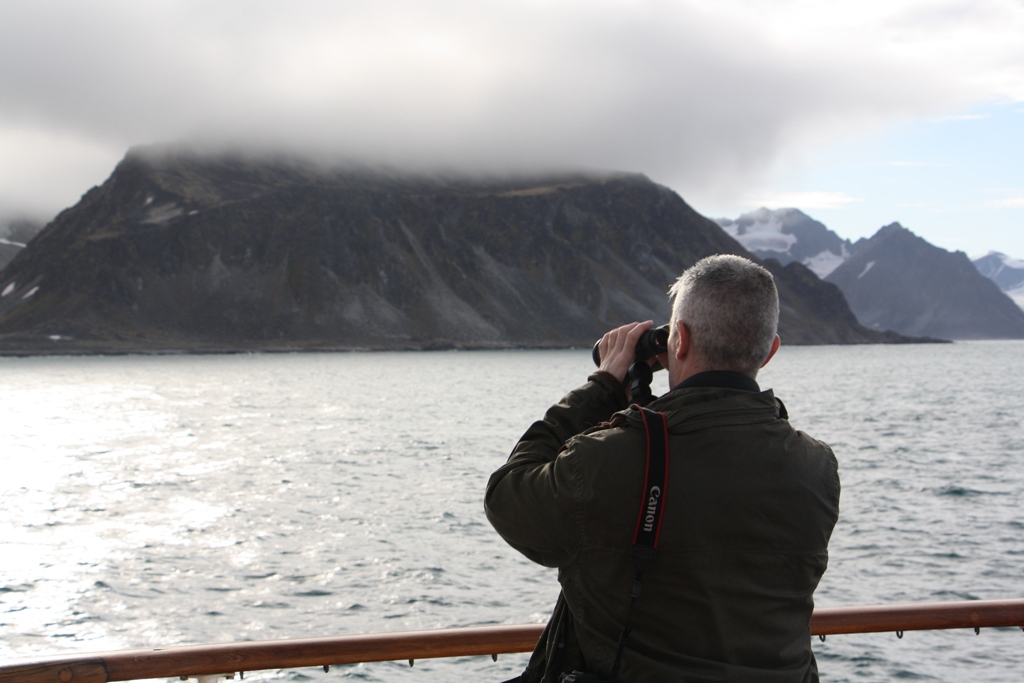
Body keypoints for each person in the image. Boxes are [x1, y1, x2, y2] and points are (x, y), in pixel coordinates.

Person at [485, 254, 840, 682]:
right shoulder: (817, 468)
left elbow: (508, 497)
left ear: (680, 340)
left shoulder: (607, 461)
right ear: (770, 352)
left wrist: (603, 386)